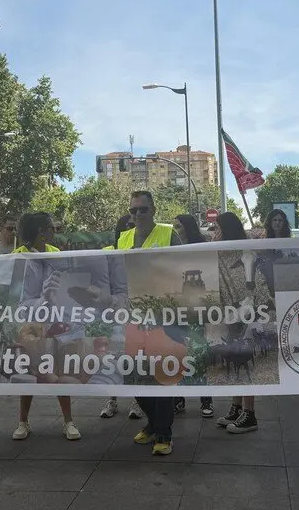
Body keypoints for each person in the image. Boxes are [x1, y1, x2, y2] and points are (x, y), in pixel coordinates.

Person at [118, 191, 181, 456]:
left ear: (153, 210)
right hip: (133, 318)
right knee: (132, 376)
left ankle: (164, 433)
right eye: (133, 211)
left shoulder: (168, 233)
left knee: (162, 377)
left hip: (163, 317)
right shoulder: (123, 238)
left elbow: (181, 268)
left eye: (142, 210)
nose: (137, 215)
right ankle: (154, 424)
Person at [11, 212, 81, 441]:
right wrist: (43, 299)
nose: (55, 232)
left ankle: (68, 421)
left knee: (60, 370)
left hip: (55, 323)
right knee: (28, 371)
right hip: (30, 326)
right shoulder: (18, 259)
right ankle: (23, 422)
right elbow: (20, 302)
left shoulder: (58, 255)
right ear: (41, 231)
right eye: (52, 228)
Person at [215, 211, 269, 435]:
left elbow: (253, 285)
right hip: (230, 311)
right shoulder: (222, 252)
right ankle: (237, 407)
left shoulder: (245, 253)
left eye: (217, 228)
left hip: (247, 309)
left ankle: (250, 413)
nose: (214, 233)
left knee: (245, 357)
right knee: (234, 356)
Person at [99, 214, 145, 421]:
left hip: (137, 312)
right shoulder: (107, 253)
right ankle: (112, 400)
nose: (133, 228)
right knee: (113, 357)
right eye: (129, 225)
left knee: (135, 357)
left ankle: (137, 401)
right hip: (113, 312)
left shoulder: (142, 252)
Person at [172, 214, 214, 418]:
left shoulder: (201, 247)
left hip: (198, 312)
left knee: (199, 353)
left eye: (178, 226)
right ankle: (179, 398)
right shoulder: (173, 248)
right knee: (180, 351)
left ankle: (206, 399)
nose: (176, 230)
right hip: (182, 312)